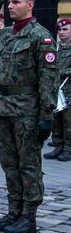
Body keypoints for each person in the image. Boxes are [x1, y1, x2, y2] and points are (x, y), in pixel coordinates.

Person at [0, 0, 57, 233]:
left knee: (28, 165)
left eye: (16, 2)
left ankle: (29, 216)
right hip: (3, 108)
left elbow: (48, 79)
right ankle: (14, 210)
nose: (11, 7)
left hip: (27, 110)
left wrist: (46, 116)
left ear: (30, 5)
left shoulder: (41, 37)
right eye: (8, 3)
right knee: (9, 163)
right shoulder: (5, 35)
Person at [46, 18, 71, 161]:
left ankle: (68, 150)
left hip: (68, 91)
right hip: (56, 90)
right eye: (60, 30)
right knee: (56, 121)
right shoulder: (56, 48)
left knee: (68, 122)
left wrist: (59, 72)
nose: (61, 32)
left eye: (65, 29)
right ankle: (58, 146)